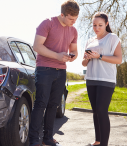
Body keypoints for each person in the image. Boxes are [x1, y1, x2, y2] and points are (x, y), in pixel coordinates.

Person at [28, 1, 80, 146]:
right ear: (62, 14)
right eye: (71, 19)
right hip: (45, 69)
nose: (73, 22)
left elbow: (74, 50)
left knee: (54, 105)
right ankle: (33, 140)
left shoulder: (73, 30)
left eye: (76, 19)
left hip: (61, 71)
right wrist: (57, 56)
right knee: (41, 103)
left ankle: (47, 138)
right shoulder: (47, 23)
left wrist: (73, 55)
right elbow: (37, 46)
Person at [82, 12, 122, 146]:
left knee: (101, 109)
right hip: (91, 78)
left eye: (100, 25)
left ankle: (104, 144)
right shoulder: (90, 41)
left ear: (106, 24)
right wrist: (87, 58)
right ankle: (98, 141)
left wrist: (99, 56)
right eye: (94, 25)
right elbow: (83, 63)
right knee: (95, 111)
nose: (96, 28)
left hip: (107, 79)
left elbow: (118, 59)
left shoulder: (112, 37)